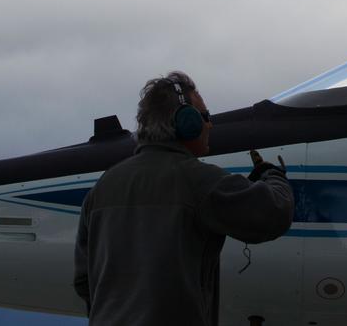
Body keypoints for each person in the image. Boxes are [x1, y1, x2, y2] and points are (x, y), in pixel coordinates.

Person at [74, 71, 293, 326]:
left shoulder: (102, 188)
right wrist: (272, 175)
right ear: (186, 122)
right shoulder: (198, 181)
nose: (210, 124)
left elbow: (83, 281)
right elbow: (275, 213)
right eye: (205, 116)